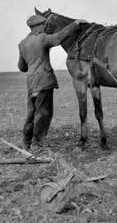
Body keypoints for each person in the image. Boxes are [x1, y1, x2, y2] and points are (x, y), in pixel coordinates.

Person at [18, 15, 87, 151]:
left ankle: (26, 143)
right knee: (44, 114)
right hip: (44, 82)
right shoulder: (42, 38)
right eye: (44, 25)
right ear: (38, 27)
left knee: (31, 113)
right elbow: (58, 38)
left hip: (31, 84)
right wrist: (75, 24)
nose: (45, 28)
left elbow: (22, 67)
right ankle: (37, 145)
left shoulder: (22, 43)